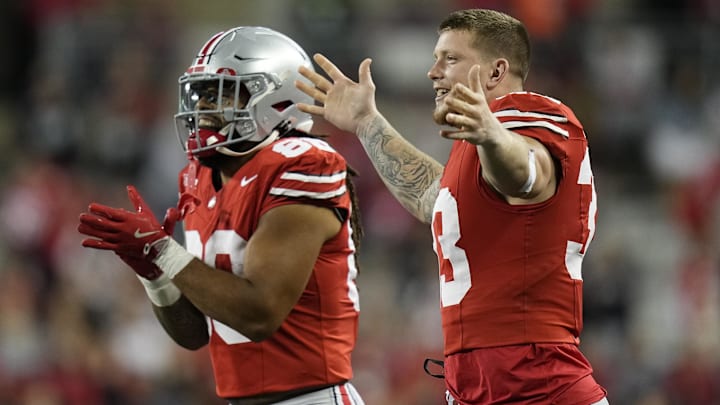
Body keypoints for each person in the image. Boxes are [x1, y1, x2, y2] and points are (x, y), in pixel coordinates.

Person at [295, 8, 608, 405]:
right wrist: (366, 122)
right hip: (484, 384)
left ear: (495, 73)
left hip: (537, 383)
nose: (433, 71)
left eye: (451, 58)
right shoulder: (478, 142)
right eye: (435, 58)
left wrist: (492, 136)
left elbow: (530, 175)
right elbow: (434, 197)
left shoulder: (531, 114)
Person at [77, 26, 366, 405]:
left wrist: (164, 251)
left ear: (278, 96)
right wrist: (154, 273)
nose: (202, 109)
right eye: (200, 95)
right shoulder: (198, 177)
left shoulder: (303, 163)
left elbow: (259, 314)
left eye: (222, 94)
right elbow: (195, 334)